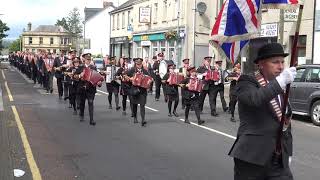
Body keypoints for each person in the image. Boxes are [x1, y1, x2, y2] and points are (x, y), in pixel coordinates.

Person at [228, 43, 296, 180]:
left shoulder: (281, 87)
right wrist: (281, 81)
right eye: (275, 62)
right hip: (252, 158)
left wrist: (288, 152)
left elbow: (285, 123)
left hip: (278, 160)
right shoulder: (246, 82)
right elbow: (255, 99)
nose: (281, 66)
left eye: (282, 62)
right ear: (261, 64)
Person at [78, 53, 102, 126]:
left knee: (91, 102)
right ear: (84, 60)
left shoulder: (93, 67)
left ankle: (91, 119)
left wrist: (99, 82)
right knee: (82, 102)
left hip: (91, 88)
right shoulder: (80, 67)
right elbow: (74, 76)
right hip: (82, 87)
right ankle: (81, 114)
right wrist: (79, 75)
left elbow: (97, 76)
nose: (88, 61)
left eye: (89, 59)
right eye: (87, 59)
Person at [127, 57, 151, 127]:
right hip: (134, 90)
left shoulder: (145, 71)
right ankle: (135, 117)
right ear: (136, 64)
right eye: (138, 64)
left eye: (140, 64)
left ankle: (143, 120)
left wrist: (150, 81)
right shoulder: (132, 70)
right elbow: (125, 75)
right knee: (135, 104)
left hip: (143, 91)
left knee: (142, 105)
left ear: (141, 64)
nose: (139, 65)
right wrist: (130, 79)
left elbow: (150, 78)